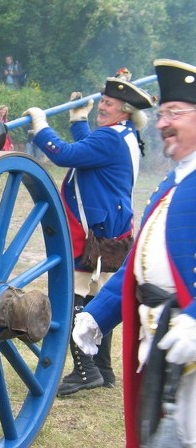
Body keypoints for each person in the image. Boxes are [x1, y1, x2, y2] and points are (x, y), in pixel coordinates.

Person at [74, 59, 196, 448]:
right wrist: (98, 314)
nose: (161, 123)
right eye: (162, 114)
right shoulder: (174, 182)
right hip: (166, 352)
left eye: (174, 113)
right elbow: (138, 263)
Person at [24, 71, 154, 396]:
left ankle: (85, 371)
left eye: (108, 104)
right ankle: (104, 369)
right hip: (115, 231)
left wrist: (41, 128)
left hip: (93, 233)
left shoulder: (109, 138)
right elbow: (89, 148)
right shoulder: (125, 135)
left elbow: (66, 155)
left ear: (124, 109)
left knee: (74, 299)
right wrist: (79, 122)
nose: (102, 108)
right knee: (98, 297)